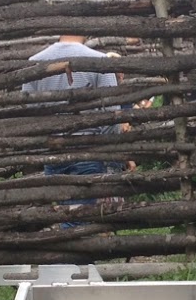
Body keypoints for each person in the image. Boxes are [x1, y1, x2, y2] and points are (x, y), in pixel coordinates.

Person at [24, 33, 125, 202]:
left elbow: (30, 112)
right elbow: (111, 115)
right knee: (79, 217)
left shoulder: (34, 62)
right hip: (89, 151)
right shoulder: (100, 62)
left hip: (52, 151)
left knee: (65, 212)